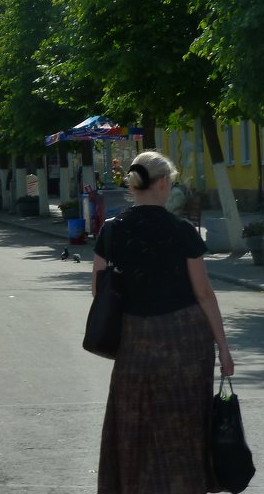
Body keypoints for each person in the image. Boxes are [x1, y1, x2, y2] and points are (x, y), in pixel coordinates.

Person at [92, 150, 234, 493]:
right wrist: (224, 350)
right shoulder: (182, 230)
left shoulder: (111, 231)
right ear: (164, 183)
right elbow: (203, 294)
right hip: (185, 344)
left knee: (133, 420)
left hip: (134, 341)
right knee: (183, 424)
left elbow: (99, 291)